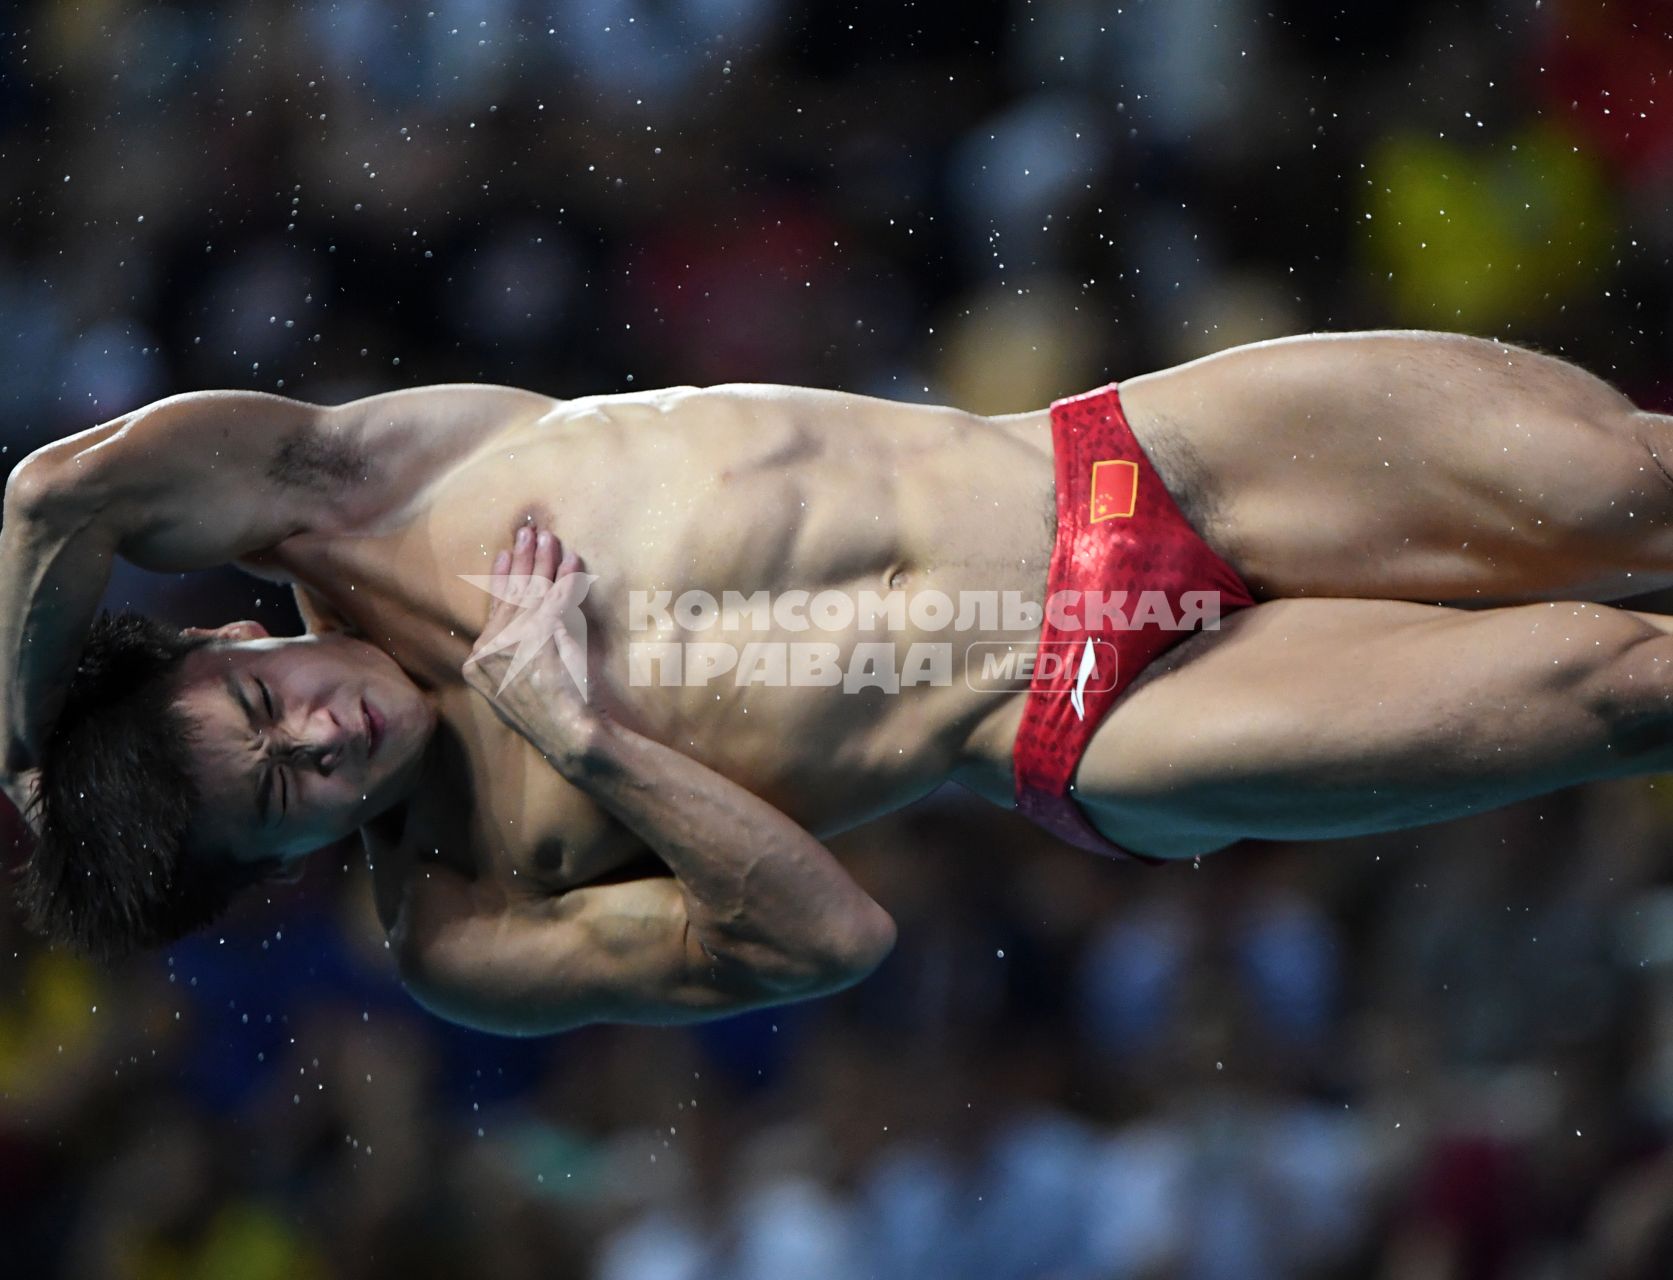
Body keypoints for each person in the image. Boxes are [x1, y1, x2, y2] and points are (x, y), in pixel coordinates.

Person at [5, 330, 1673, 1033]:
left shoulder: (356, 489)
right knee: (1623, 685)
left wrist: (22, 750)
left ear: (228, 637)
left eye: (260, 709)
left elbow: (47, 498)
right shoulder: (458, 920)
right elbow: (828, 941)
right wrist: (579, 739)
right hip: (1093, 718)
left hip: (1123, 460)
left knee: (1631, 490)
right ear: (290, 871)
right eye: (288, 795)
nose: (321, 733)